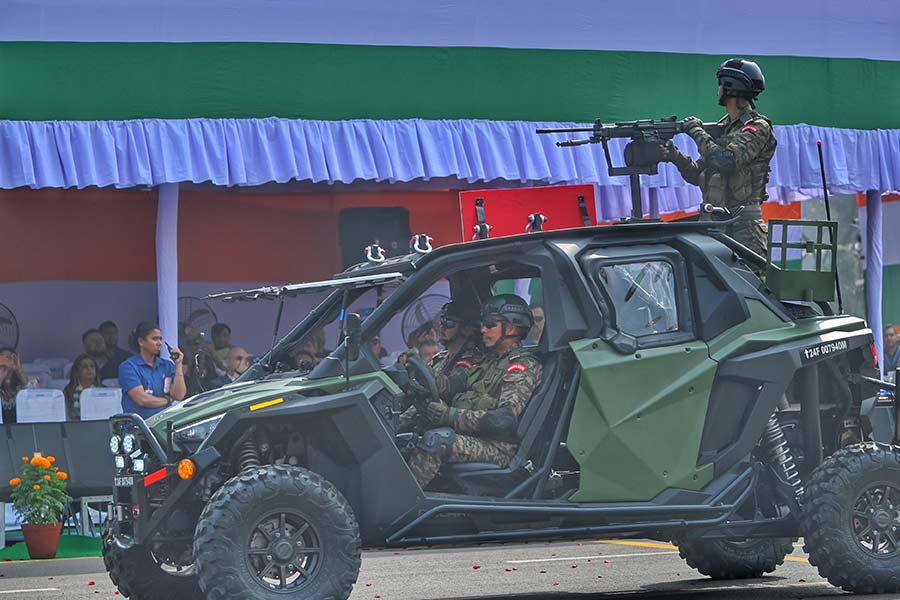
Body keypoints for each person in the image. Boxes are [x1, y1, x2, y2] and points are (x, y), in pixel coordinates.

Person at [406, 294, 543, 489]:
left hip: (497, 448)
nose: (483, 329)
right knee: (407, 439)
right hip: (472, 437)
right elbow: (451, 386)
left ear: (511, 328)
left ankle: (404, 506)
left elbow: (503, 420)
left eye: (489, 324)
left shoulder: (522, 365)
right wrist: (418, 369)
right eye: (482, 324)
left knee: (436, 441)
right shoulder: (485, 360)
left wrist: (449, 416)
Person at [662, 58, 777, 268]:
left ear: (731, 89)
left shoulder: (757, 128)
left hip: (745, 230)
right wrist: (674, 155)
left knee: (750, 288)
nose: (719, 90)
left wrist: (696, 132)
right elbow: (697, 174)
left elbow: (726, 161)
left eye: (721, 85)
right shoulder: (724, 128)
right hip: (716, 226)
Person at [118, 322, 186, 419]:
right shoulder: (128, 367)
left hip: (164, 423)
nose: (159, 343)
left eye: (160, 339)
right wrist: (168, 400)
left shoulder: (167, 365)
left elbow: (179, 395)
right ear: (141, 341)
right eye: (154, 339)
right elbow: (142, 400)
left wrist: (178, 365)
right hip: (139, 427)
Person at [0, 348, 38, 423]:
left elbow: (35, 398)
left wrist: (19, 370)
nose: (6, 363)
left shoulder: (25, 383)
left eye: (9, 359)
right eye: (2, 358)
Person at [62, 354, 104, 421]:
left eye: (92, 366)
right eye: (85, 367)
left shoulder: (104, 390)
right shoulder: (68, 391)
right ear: (77, 370)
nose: (89, 369)